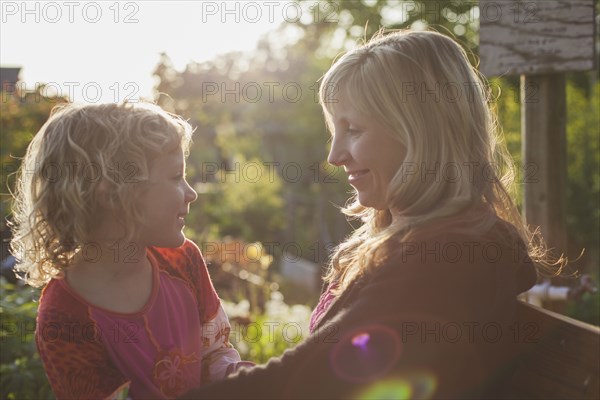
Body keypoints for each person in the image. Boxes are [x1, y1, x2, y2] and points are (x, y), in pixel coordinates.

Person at [179, 29, 563, 399]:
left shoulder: (446, 258)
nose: (334, 156)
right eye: (335, 131)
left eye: (354, 130)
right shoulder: (428, 241)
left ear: (420, 134)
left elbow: (311, 379)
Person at [9, 102, 252, 399]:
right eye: (176, 177)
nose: (192, 193)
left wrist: (249, 381)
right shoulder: (65, 318)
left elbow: (214, 353)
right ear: (114, 192)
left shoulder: (183, 261)